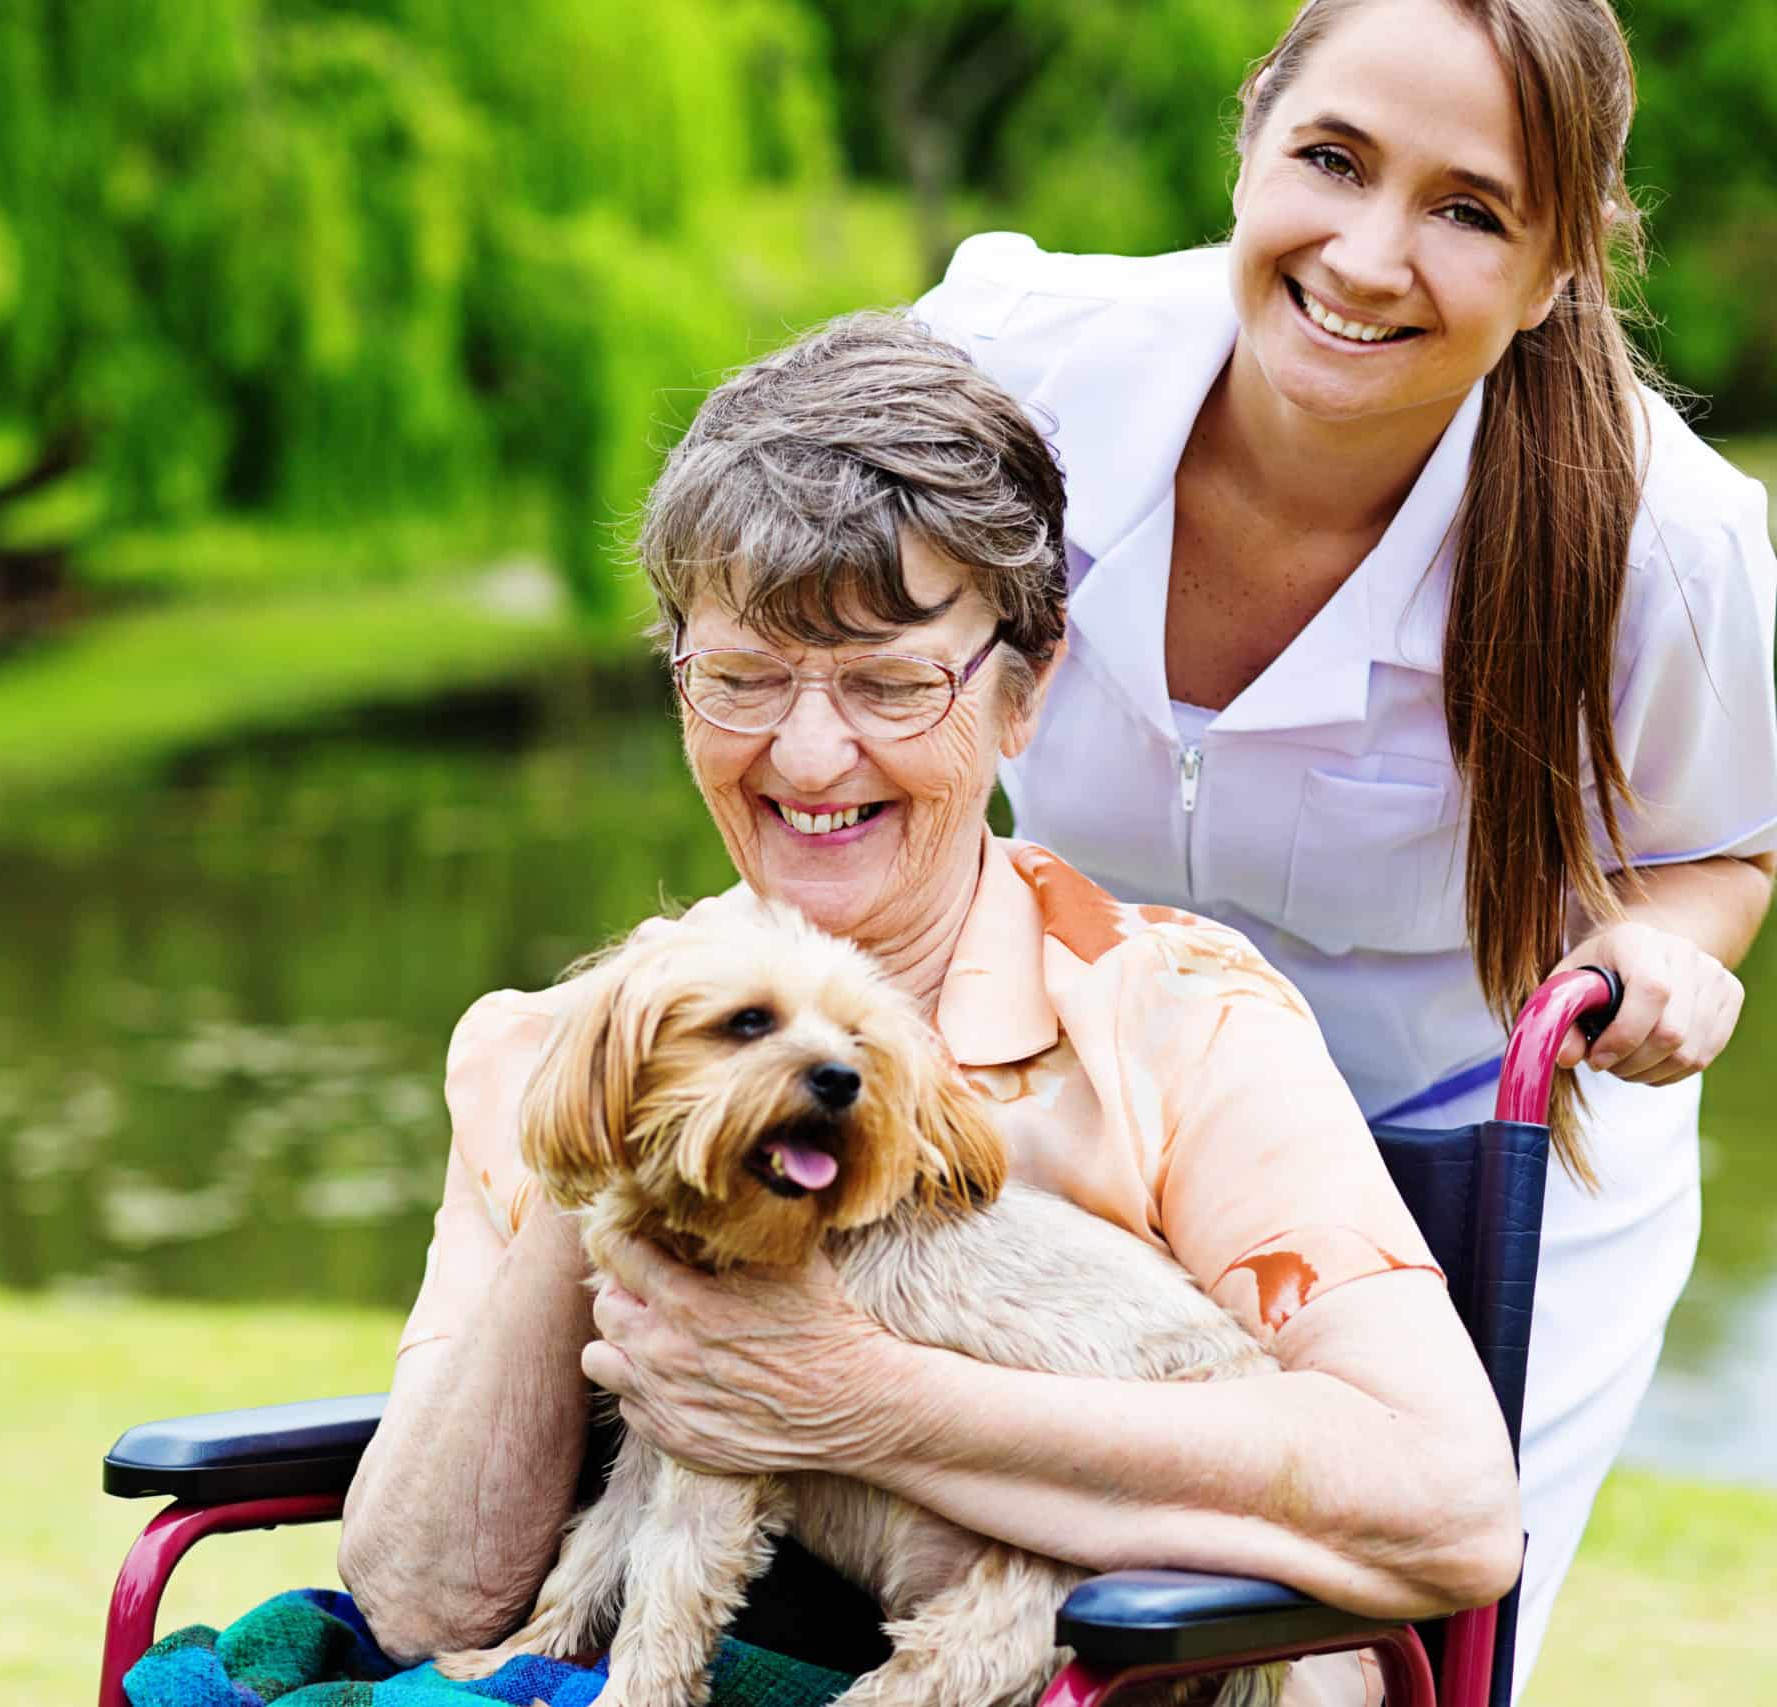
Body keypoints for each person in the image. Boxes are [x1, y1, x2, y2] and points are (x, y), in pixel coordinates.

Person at [340, 312, 1521, 1707]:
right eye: (741, 676)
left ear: (1026, 695)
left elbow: (1449, 1505)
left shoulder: (1178, 1021)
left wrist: (865, 1400)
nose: (810, 751)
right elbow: (423, 1605)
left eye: (892, 683)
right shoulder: (551, 1043)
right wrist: (606, 1138)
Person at [901, 0, 1777, 1697]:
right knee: (1004, 1615)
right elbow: (816, 599)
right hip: (1083, 1117)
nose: (1370, 256)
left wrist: (1665, 956)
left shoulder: (1664, 545)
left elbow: (1726, 845)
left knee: (1365, 1659)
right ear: (1251, 140)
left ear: (1561, 268)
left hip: (1461, 1171)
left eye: (1469, 208)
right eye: (1332, 160)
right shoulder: (1019, 356)